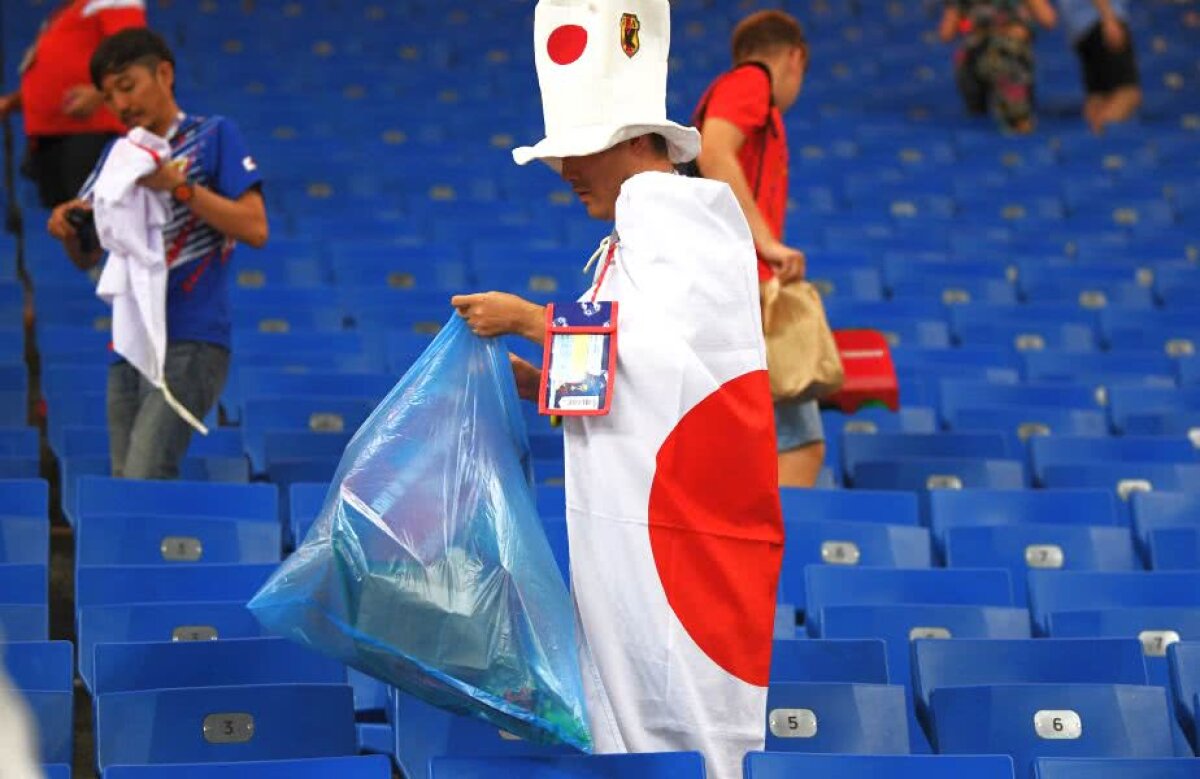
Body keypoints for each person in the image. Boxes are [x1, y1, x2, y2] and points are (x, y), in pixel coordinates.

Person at [452, 1, 783, 777]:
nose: (567, 172)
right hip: (632, 529)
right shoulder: (640, 233)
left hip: (682, 530)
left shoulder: (686, 222)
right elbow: (636, 377)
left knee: (678, 722)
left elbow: (668, 364)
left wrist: (531, 320)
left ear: (638, 142)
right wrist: (540, 379)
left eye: (582, 150)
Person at [47, 28, 268, 479]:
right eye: (110, 96)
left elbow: (255, 227)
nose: (121, 104)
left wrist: (179, 187)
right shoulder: (118, 155)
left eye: (127, 86)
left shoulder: (213, 135)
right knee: (126, 486)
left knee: (144, 475)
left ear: (164, 74)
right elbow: (88, 256)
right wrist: (69, 228)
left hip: (192, 336)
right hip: (128, 341)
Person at [693, 10, 827, 489]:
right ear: (796, 57)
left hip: (722, 290)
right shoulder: (751, 82)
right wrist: (765, 241)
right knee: (799, 445)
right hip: (737, 290)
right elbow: (713, 150)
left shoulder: (736, 88)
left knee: (753, 447)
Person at [0, 0, 147, 209]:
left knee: (94, 217)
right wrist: (12, 102)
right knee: (67, 220)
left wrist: (99, 94)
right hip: (54, 139)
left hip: (92, 134)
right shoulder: (67, 12)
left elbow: (135, 54)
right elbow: (54, 78)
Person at [940, 0, 1058, 133]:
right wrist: (970, 25)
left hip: (1013, 63)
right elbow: (946, 33)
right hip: (976, 64)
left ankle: (1016, 114)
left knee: (1008, 50)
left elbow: (1048, 20)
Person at [1060, 0, 1141, 133]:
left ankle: (1095, 139)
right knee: (1127, 94)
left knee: (1098, 98)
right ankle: (1104, 136)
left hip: (1080, 28)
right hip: (1099, 19)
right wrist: (1108, 17)